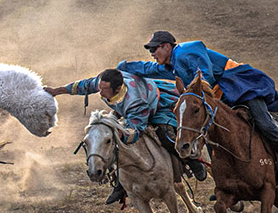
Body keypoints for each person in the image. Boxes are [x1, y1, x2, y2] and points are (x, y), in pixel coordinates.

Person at [117, 30, 278, 180]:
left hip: (241, 84)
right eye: (150, 51)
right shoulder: (169, 65)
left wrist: (198, 94)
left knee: (263, 122)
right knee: (210, 130)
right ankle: (225, 177)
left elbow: (205, 75)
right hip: (220, 94)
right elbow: (147, 69)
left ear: (166, 46)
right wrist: (122, 67)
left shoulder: (186, 51)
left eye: (153, 50)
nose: (151, 54)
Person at [44, 68, 207, 205]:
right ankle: (120, 185)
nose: (100, 92)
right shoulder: (105, 83)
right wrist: (57, 91)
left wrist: (121, 134)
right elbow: (85, 86)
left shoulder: (135, 101)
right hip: (125, 110)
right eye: (100, 87)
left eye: (104, 89)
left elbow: (138, 130)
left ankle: (192, 161)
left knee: (166, 134)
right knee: (108, 142)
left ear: (117, 89)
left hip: (155, 106)